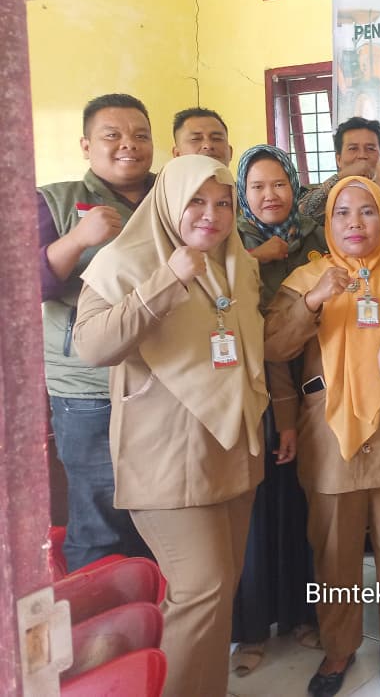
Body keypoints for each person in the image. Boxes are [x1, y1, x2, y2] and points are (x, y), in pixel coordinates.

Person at [73, 154, 267, 697]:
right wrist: (166, 281)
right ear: (168, 203)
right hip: (166, 457)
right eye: (196, 202)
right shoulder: (124, 262)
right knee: (200, 590)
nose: (212, 215)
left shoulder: (239, 264)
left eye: (224, 203)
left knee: (217, 590)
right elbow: (92, 346)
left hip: (231, 447)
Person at [265, 175, 380, 696]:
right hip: (329, 435)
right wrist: (313, 300)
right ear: (329, 222)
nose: (355, 223)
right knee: (332, 549)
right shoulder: (305, 276)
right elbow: (273, 348)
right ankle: (339, 646)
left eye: (368, 212)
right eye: (342, 213)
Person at [38, 92, 155, 570]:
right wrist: (79, 239)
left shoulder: (167, 197)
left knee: (159, 513)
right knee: (99, 519)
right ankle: (102, 639)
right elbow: (28, 285)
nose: (129, 144)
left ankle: (157, 627)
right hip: (89, 388)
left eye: (141, 135)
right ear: (87, 145)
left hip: (160, 380)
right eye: (113, 135)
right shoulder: (56, 200)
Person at [230, 145, 328, 675]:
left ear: (294, 186)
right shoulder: (231, 243)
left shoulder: (313, 240)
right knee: (253, 512)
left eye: (279, 185)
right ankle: (250, 630)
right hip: (251, 393)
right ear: (242, 196)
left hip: (311, 393)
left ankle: (300, 614)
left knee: (302, 509)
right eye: (257, 187)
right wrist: (257, 258)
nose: (270, 195)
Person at [298, 116, 380, 221]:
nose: (362, 155)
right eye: (353, 148)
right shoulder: (320, 193)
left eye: (370, 149)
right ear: (338, 159)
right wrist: (343, 175)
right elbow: (303, 213)